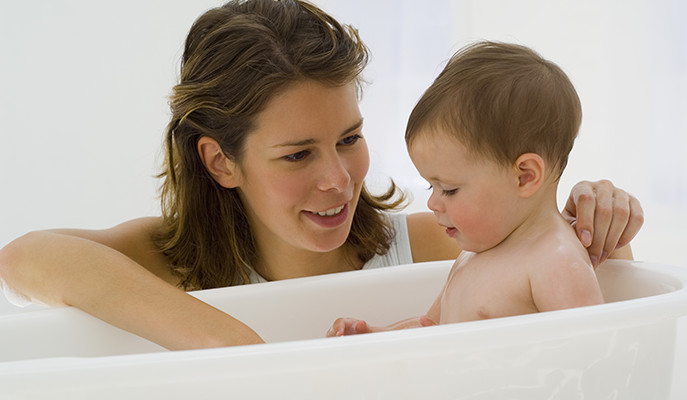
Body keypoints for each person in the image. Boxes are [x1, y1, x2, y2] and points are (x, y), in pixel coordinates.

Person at [0, 0, 641, 350]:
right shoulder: (177, 262)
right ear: (221, 161)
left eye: (350, 139)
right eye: (298, 154)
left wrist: (595, 216)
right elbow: (25, 258)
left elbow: (586, 303)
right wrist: (233, 347)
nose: (339, 179)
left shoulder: (440, 243)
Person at [328, 41, 606, 336]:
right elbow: (432, 327)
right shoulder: (476, 252)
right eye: (430, 187)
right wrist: (374, 335)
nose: (434, 202)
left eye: (448, 190)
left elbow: (593, 355)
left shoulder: (555, 261)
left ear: (525, 177)